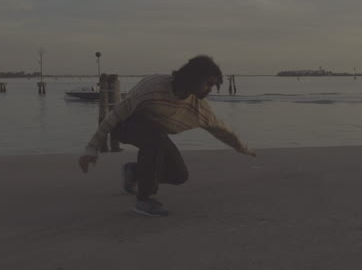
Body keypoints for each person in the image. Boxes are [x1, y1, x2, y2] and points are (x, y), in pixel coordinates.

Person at [77, 55, 255, 217]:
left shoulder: (197, 106)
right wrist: (92, 149)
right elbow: (114, 115)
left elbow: (220, 128)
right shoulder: (152, 87)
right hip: (125, 125)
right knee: (154, 139)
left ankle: (135, 172)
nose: (210, 89)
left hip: (155, 134)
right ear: (193, 77)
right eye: (208, 84)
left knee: (179, 175)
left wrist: (241, 147)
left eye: (213, 85)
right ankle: (144, 199)